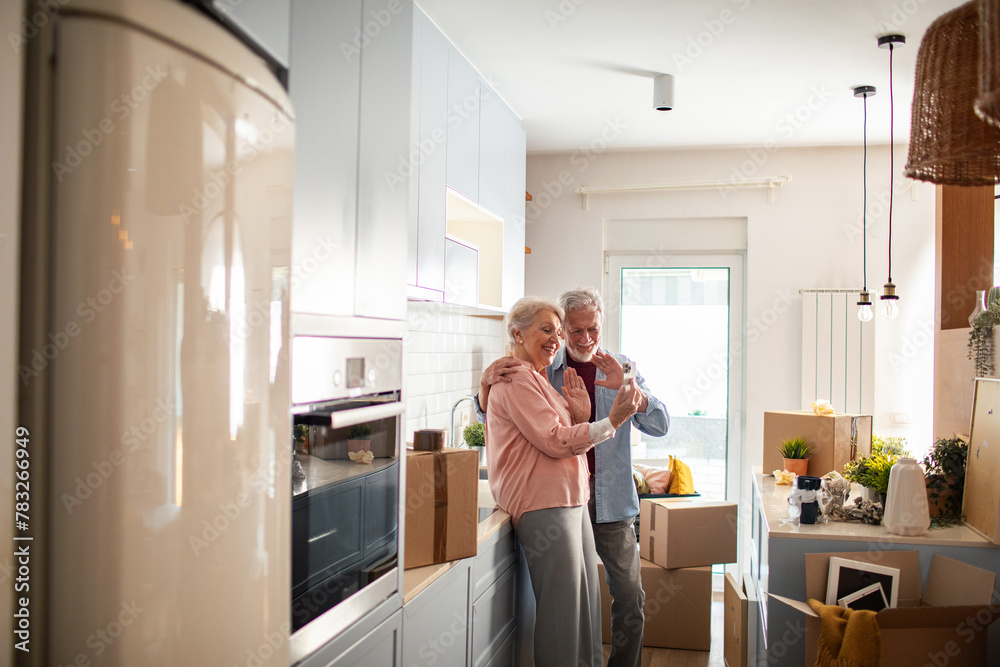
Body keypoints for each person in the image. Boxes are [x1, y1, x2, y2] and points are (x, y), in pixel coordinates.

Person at [477, 287, 669, 667]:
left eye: (592, 329)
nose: (584, 339)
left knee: (629, 597)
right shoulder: (543, 364)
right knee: (573, 601)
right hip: (565, 495)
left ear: (602, 324)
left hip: (612, 499)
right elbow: (500, 418)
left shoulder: (622, 365)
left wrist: (633, 393)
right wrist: (485, 386)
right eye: (575, 331)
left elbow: (661, 422)